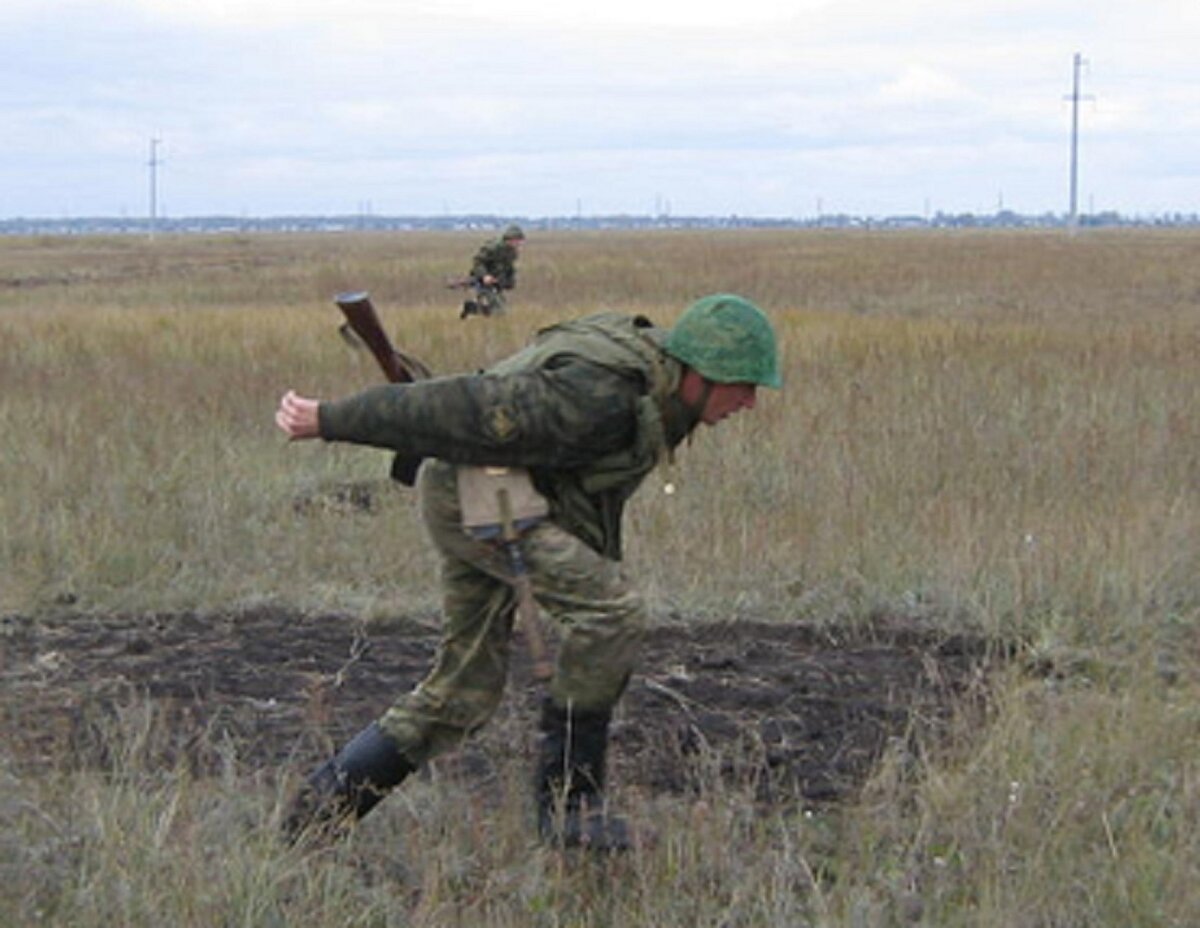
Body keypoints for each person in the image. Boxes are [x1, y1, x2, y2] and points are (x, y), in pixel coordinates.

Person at [274, 293, 782, 852]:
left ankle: (311, 823)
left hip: (499, 495)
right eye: (742, 385)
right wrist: (329, 419)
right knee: (611, 613)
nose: (750, 402)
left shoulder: (658, 388)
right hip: (476, 501)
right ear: (700, 373)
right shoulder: (601, 396)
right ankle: (570, 807)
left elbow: (590, 494)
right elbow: (461, 406)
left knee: (461, 694)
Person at [459, 223, 525, 319]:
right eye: (518, 240)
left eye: (520, 240)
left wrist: (509, 281)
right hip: (483, 281)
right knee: (499, 312)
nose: (519, 243)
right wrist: (485, 276)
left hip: (496, 282)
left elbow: (509, 268)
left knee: (499, 308)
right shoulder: (494, 247)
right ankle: (472, 309)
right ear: (511, 239)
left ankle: (471, 308)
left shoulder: (512, 252)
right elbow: (478, 261)